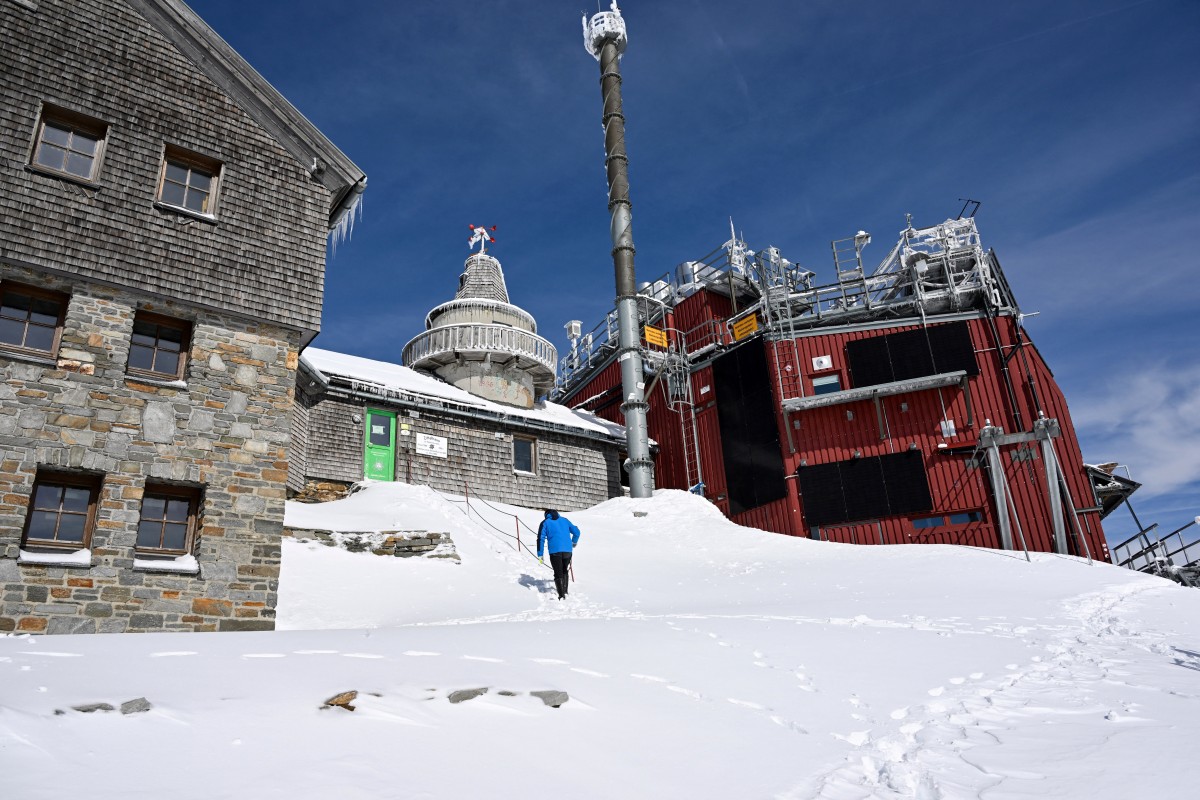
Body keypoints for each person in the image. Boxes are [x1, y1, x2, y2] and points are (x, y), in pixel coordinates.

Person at [537, 509, 580, 600]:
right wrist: (574, 542)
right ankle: (565, 592)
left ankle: (561, 596)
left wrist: (540, 555)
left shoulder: (545, 523)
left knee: (558, 573)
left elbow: (541, 539)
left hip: (555, 551)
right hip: (568, 550)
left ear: (546, 515)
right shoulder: (565, 520)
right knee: (564, 570)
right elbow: (577, 532)